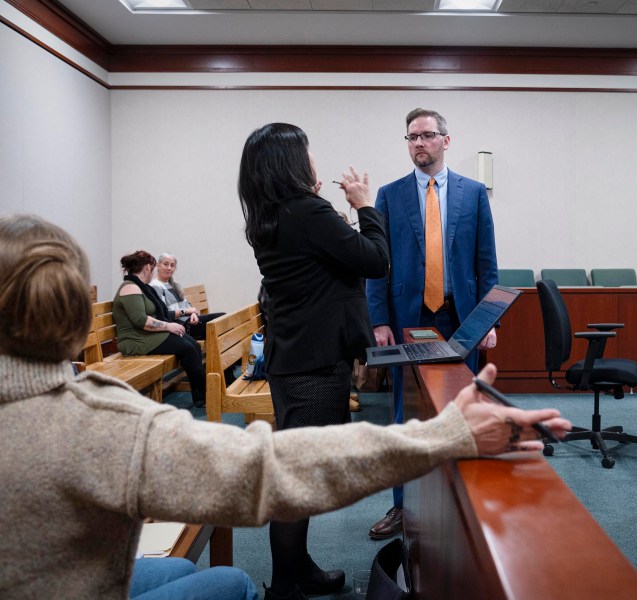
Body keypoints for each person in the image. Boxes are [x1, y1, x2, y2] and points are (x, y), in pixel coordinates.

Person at [0, 213, 570, 600]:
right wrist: (449, 434)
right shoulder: (99, 425)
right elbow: (274, 471)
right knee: (233, 583)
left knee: (174, 568)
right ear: (78, 315)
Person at [238, 122, 389, 599]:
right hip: (313, 366)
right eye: (307, 152)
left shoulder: (272, 214)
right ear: (292, 164)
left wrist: (328, 213)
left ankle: (298, 568)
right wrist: (365, 206)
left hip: (293, 360)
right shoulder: (306, 211)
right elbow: (374, 260)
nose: (314, 160)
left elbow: (324, 268)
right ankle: (284, 586)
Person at [365, 107, 499, 540]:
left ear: (446, 140)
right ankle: (403, 507)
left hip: (461, 321)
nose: (417, 144)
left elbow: (486, 265)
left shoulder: (474, 193)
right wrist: (379, 320)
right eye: (410, 137)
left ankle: (462, 506)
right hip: (409, 320)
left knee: (463, 412)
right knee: (407, 419)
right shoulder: (390, 194)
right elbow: (377, 265)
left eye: (425, 135)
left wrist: (488, 320)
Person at [113, 250, 206, 408]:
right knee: (187, 348)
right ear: (148, 267)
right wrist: (169, 326)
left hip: (146, 334)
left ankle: (200, 396)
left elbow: (156, 314)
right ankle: (205, 394)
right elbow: (140, 320)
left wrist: (173, 322)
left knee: (193, 344)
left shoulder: (141, 286)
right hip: (135, 339)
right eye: (155, 267)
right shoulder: (130, 287)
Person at [150, 252, 225, 340]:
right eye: (166, 264)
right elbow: (164, 314)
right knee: (222, 322)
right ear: (158, 265)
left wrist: (193, 313)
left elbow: (187, 305)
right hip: (182, 327)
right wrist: (186, 312)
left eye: (172, 265)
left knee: (224, 318)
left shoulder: (174, 285)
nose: (169, 268)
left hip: (191, 321)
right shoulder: (155, 286)